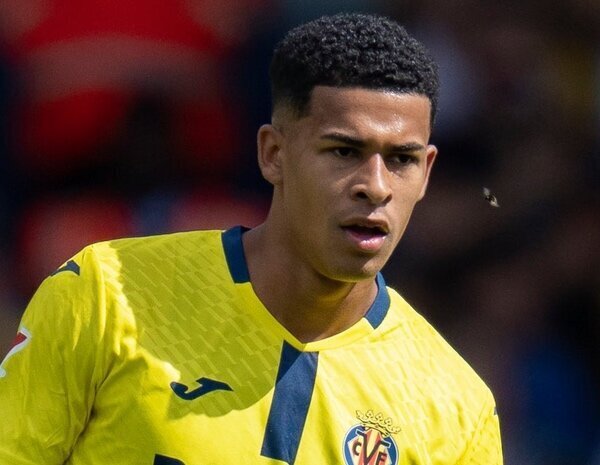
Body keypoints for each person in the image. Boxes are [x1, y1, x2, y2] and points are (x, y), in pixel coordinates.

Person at [0, 13, 502, 465]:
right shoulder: (105, 295)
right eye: (343, 152)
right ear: (273, 154)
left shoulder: (457, 408)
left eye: (401, 160)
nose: (375, 186)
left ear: (427, 172)